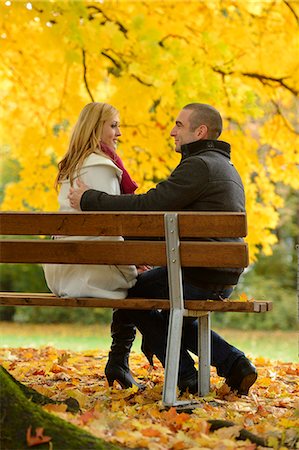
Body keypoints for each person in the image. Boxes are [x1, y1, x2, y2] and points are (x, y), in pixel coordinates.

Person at [68, 103, 258, 395]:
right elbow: (174, 225)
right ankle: (234, 364)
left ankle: (186, 377)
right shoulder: (223, 166)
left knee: (132, 295)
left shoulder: (199, 165)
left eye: (179, 125)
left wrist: (91, 199)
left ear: (200, 131)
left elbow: (151, 205)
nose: (172, 131)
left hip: (199, 275)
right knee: (170, 315)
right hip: (219, 274)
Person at [43, 102, 143, 389]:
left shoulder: (71, 166)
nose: (119, 133)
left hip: (62, 273)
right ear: (95, 127)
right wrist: (133, 266)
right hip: (91, 273)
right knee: (151, 286)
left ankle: (119, 362)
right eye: (113, 125)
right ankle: (124, 362)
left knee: (148, 283)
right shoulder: (101, 166)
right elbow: (108, 232)